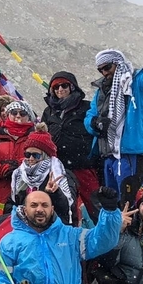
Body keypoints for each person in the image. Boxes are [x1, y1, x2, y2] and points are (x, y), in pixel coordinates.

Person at [85, 20, 143, 207]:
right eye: (100, 69)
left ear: (118, 64)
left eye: (107, 67)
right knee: (111, 205)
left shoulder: (137, 83)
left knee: (129, 203)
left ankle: (133, 235)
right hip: (107, 154)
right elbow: (89, 116)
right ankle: (116, 236)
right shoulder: (100, 91)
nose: (104, 72)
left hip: (130, 153)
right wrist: (94, 123)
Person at [41, 72, 99, 217]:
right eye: (55, 87)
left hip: (84, 165)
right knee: (65, 205)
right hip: (59, 169)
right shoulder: (49, 111)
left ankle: (108, 234)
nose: (60, 89)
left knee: (96, 205)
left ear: (72, 87)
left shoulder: (87, 108)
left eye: (64, 85)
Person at [0, 100, 39, 207]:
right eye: (14, 113)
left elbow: (42, 158)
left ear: (29, 116)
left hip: (27, 192)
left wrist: (19, 166)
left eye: (22, 113)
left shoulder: (35, 138)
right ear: (8, 115)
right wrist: (1, 169)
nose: (18, 116)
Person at [9, 132, 75, 224]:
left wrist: (55, 192)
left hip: (54, 227)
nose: (31, 159)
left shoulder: (60, 174)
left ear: (45, 156)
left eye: (36, 155)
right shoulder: (19, 174)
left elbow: (68, 207)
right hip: (25, 227)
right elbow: (12, 203)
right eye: (27, 154)